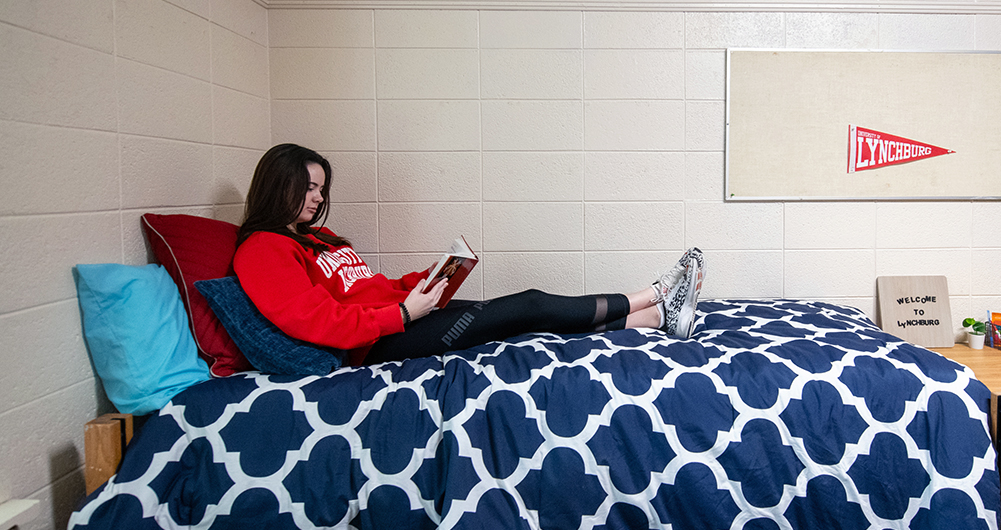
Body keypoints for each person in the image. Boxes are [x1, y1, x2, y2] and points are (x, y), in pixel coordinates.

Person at [232, 143, 704, 367]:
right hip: (377, 345)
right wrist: (400, 314)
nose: (317, 198)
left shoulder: (318, 237)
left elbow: (366, 288)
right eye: (309, 188)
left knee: (518, 321)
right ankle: (655, 292)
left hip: (399, 318)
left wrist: (424, 281)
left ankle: (659, 318)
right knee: (529, 304)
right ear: (281, 185)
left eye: (320, 189)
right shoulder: (262, 250)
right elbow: (319, 323)